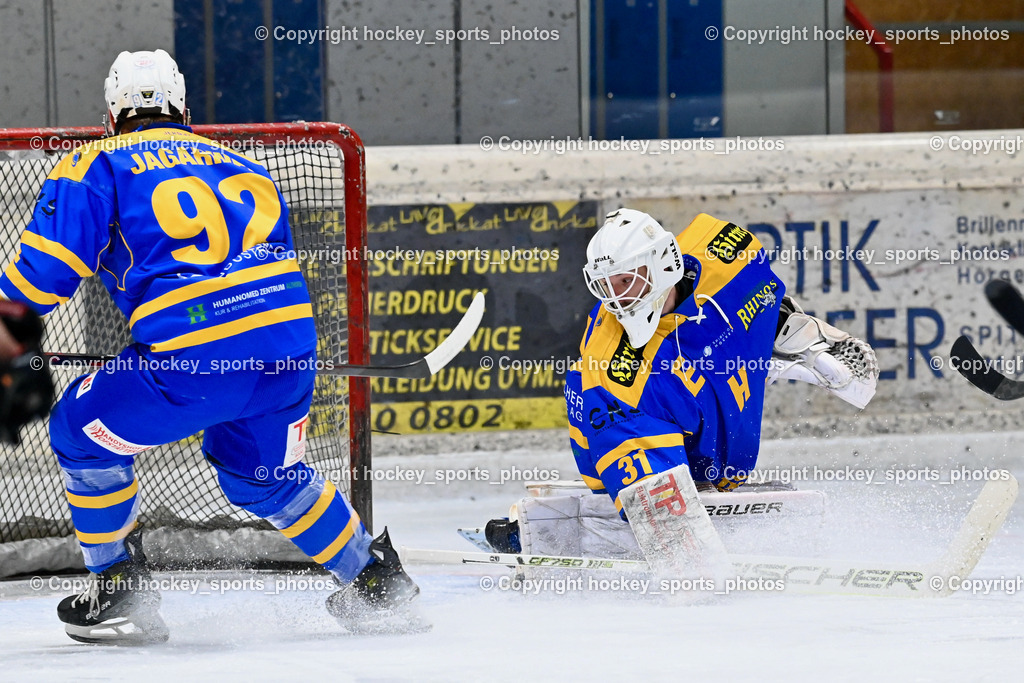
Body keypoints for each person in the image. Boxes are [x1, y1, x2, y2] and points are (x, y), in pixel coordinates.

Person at [0, 49, 419, 643]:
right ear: (184, 110)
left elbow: (37, 283)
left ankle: (117, 587)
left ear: (111, 115)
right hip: (288, 351)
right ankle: (377, 583)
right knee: (265, 477)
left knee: (77, 431)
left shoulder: (94, 162)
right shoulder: (240, 164)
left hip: (193, 361)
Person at [484, 208, 878, 553]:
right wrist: (680, 548)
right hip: (617, 428)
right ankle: (617, 513)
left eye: (625, 281)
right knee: (652, 492)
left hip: (689, 392)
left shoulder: (726, 253)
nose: (616, 299)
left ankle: (728, 385)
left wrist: (796, 337)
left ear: (662, 265)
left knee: (698, 385)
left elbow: (760, 296)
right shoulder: (616, 375)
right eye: (606, 286)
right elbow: (675, 543)